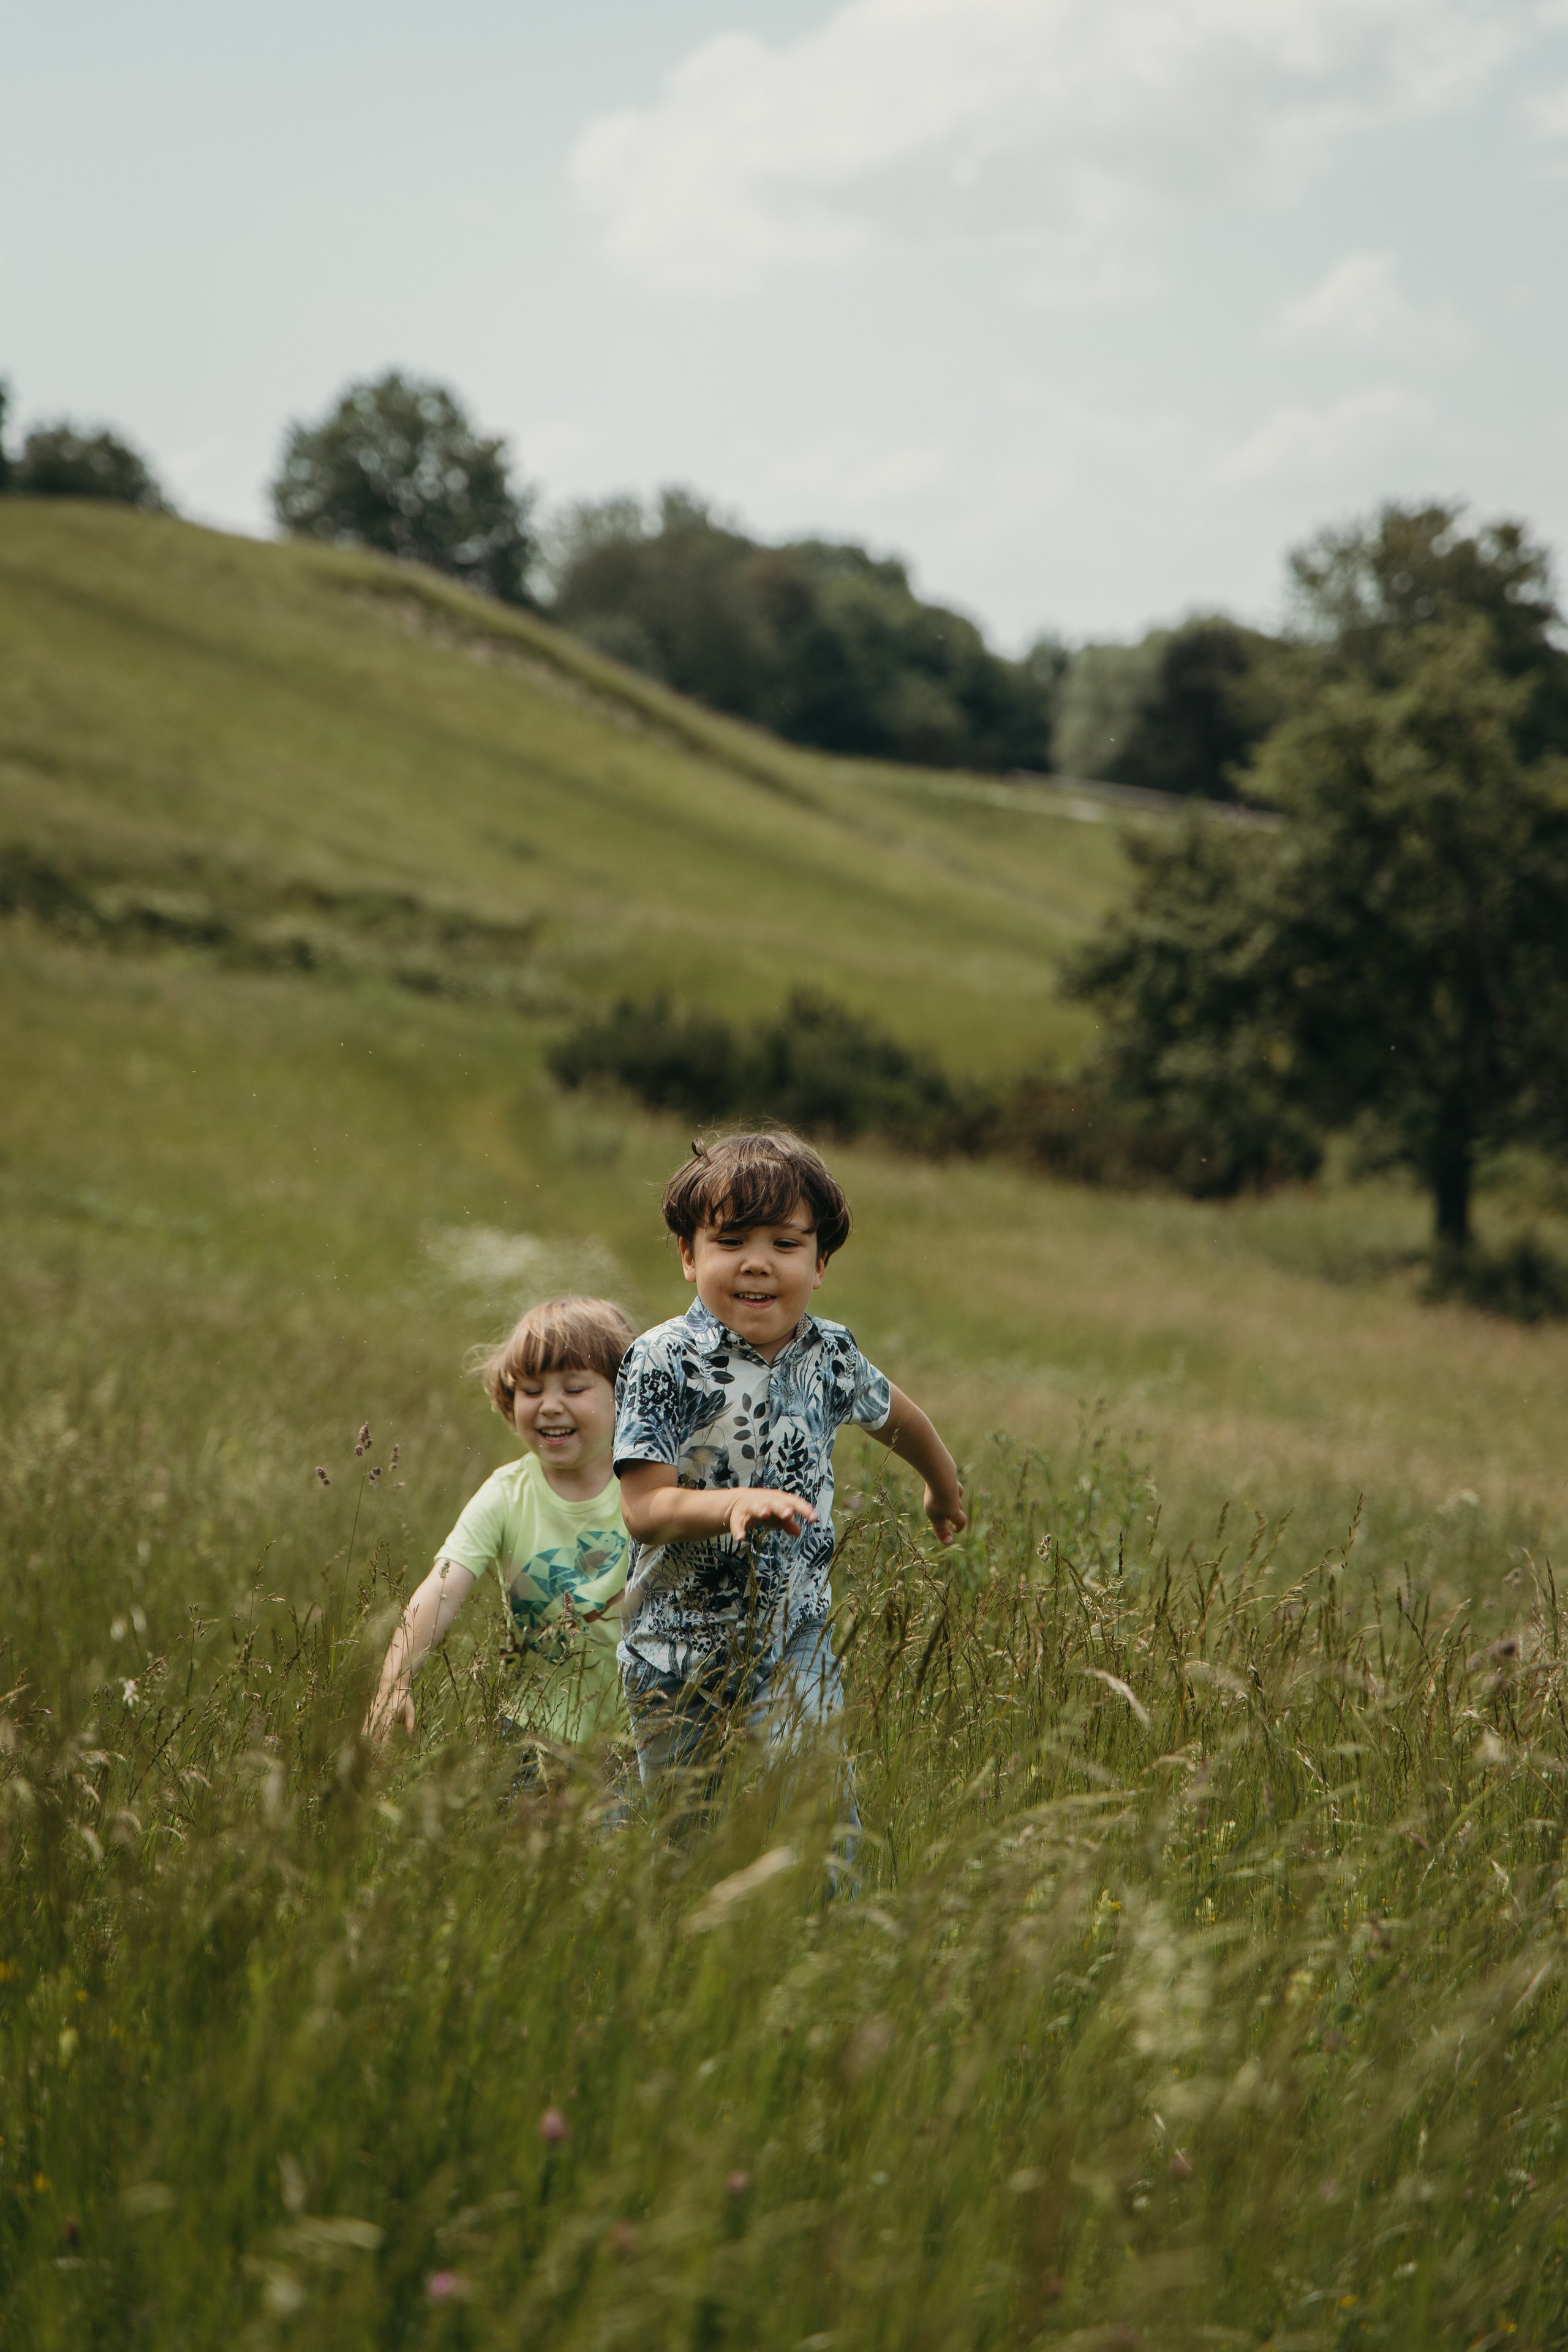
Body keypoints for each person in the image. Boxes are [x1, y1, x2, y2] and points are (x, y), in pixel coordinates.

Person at [612, 1130, 966, 1793]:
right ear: (689, 1255)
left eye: (784, 1243)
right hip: (675, 1648)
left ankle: (832, 1897)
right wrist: (733, 1506)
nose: (757, 1263)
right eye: (731, 1242)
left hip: (793, 1630)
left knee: (814, 1796)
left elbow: (902, 1419)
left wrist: (941, 1490)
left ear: (820, 1262)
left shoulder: (829, 1356)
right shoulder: (663, 1361)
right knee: (688, 1837)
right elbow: (644, 1509)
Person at [366, 1295, 638, 1758]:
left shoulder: (646, 1487)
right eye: (531, 1391)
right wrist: (395, 1681)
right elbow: (441, 1589)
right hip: (531, 1731)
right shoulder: (506, 1493)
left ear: (626, 1394)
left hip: (637, 1731)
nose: (549, 1406)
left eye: (574, 1389)